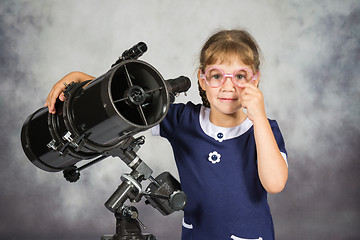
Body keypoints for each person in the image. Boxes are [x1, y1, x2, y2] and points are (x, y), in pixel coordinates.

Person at [45, 29, 288, 240]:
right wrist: (78, 78)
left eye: (240, 76)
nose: (228, 86)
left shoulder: (265, 129)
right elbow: (129, 103)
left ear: (255, 79)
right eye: (217, 76)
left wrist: (259, 118)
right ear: (202, 79)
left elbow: (275, 183)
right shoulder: (184, 120)